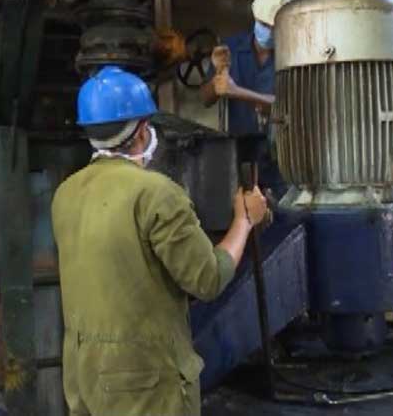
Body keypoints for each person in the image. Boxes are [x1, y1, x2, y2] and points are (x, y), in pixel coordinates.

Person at [52, 65, 268, 416]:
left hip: (84, 376)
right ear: (141, 131)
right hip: (144, 382)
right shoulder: (155, 193)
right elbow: (209, 278)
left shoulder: (66, 193)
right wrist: (244, 220)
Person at [200, 0, 297, 199]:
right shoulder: (231, 49)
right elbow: (205, 99)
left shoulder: (295, 55)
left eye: (275, 27)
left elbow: (290, 105)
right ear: (255, 17)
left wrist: (236, 91)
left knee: (281, 210)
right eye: (264, 24)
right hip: (238, 153)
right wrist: (217, 81)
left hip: (281, 157)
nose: (268, 32)